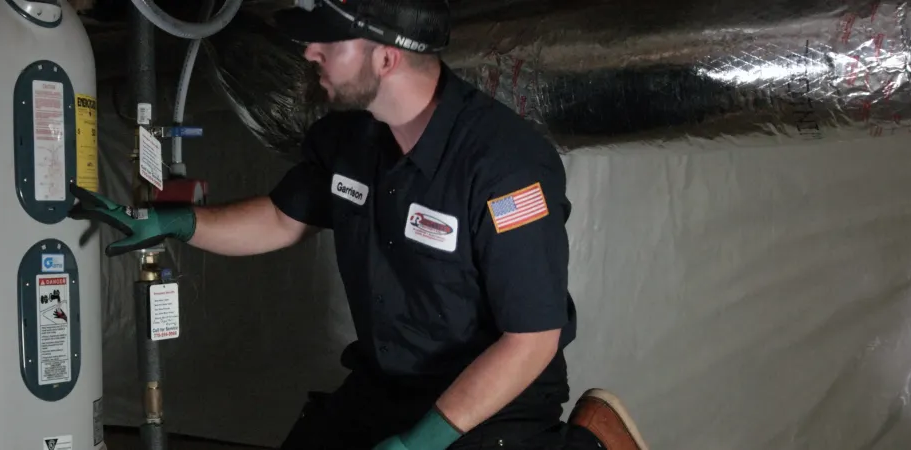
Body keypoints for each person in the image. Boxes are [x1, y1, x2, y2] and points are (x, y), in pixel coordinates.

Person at [67, 1, 649, 449]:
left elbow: (531, 342)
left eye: (329, 39)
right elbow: (279, 219)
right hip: (386, 383)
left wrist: (425, 441)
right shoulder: (350, 138)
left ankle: (592, 440)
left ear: (386, 56)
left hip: (495, 396)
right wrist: (178, 223)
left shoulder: (504, 166)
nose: (310, 51)